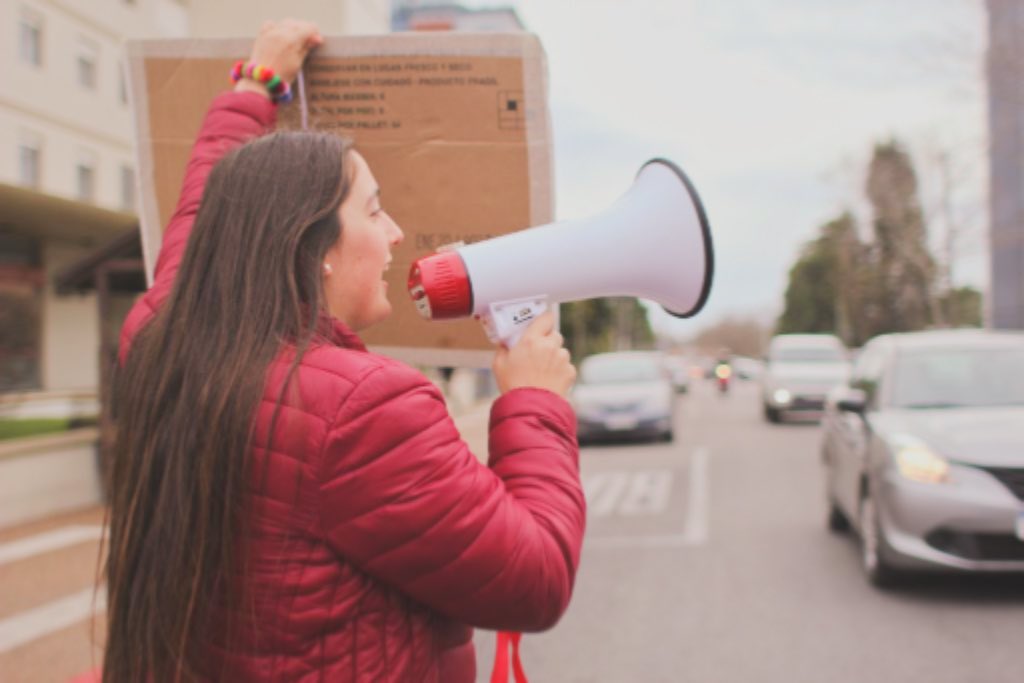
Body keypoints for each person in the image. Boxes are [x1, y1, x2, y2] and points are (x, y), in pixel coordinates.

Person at [103, 20, 585, 683]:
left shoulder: (159, 332)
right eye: (375, 210)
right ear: (314, 244)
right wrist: (534, 401)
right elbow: (535, 581)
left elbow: (205, 211)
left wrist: (257, 87)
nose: (396, 233)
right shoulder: (366, 408)